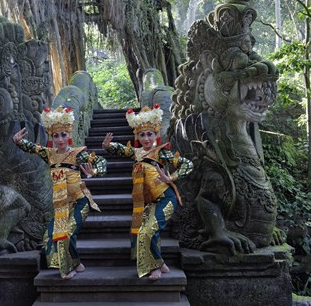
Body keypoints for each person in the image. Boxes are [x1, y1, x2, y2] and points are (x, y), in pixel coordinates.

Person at [13, 106, 107, 279]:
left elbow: (101, 161)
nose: (60, 139)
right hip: (60, 205)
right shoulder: (49, 154)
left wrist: (93, 173)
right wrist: (19, 142)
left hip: (80, 201)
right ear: (52, 137)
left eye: (63, 134)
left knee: (66, 233)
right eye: (56, 135)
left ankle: (66, 269)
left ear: (68, 134)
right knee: (50, 236)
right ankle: (75, 262)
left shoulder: (78, 154)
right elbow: (32, 147)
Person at [102, 105, 193, 280]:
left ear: (156, 135)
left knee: (149, 230)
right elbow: (121, 149)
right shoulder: (136, 153)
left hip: (166, 198)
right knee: (144, 231)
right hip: (147, 202)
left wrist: (171, 178)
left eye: (149, 134)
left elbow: (188, 164)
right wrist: (108, 146)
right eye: (142, 134)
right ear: (137, 136)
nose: (146, 138)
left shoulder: (161, 153)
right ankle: (159, 263)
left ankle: (155, 267)